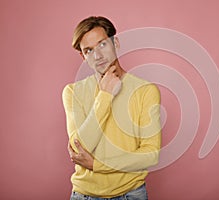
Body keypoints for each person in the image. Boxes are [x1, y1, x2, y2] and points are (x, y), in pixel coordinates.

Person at [62, 16, 161, 200]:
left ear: (115, 42)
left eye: (102, 45)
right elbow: (79, 149)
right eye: (88, 50)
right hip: (85, 195)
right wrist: (105, 96)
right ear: (83, 56)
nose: (97, 56)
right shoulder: (73, 92)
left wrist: (98, 164)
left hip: (131, 194)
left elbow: (150, 155)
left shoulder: (145, 91)